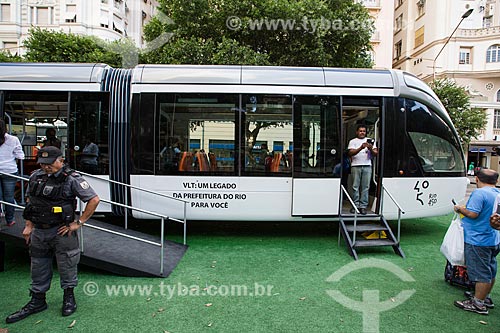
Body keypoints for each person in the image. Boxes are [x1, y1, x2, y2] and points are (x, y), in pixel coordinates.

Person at [5, 146, 100, 324]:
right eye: (42, 163)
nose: (46, 167)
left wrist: (78, 223)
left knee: (67, 264)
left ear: (61, 161)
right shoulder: (35, 176)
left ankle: (69, 297)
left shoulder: (72, 179)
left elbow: (93, 200)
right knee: (38, 266)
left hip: (61, 231)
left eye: (49, 164)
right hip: (39, 231)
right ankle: (37, 300)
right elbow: (31, 203)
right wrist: (28, 226)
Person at [453, 168, 500, 315]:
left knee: (481, 272)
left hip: (478, 239)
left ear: (477, 179)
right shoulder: (497, 193)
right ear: (496, 181)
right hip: (493, 238)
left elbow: (473, 213)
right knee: (490, 269)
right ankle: (484, 297)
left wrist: (460, 209)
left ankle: (478, 303)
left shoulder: (479, 193)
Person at [348, 124, 378, 215]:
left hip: (367, 166)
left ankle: (363, 207)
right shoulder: (353, 141)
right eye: (360, 131)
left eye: (364, 131)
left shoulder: (371, 141)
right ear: (357, 132)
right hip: (355, 165)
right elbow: (350, 153)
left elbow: (376, 153)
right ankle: (355, 205)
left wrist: (370, 148)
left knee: (365, 187)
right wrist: (361, 147)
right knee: (355, 186)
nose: (362, 132)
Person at [0, 119, 25, 226]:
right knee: (9, 197)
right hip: (9, 170)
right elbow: (20, 155)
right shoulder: (13, 139)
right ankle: (10, 220)